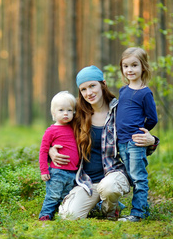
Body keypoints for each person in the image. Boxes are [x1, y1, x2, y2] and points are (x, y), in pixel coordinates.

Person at [49, 65, 158, 221]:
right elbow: (57, 133)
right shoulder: (78, 114)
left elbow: (135, 143)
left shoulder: (120, 110)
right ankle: (100, 204)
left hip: (114, 174)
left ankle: (109, 209)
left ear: (103, 84)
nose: (89, 93)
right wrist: (51, 151)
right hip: (87, 181)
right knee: (68, 216)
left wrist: (152, 140)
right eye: (84, 89)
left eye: (92, 86)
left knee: (108, 188)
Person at [116, 47, 158, 222]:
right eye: (126, 66)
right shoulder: (123, 90)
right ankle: (143, 208)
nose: (130, 70)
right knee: (131, 177)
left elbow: (153, 118)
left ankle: (138, 213)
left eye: (134, 65)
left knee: (139, 178)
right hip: (122, 142)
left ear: (143, 68)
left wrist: (142, 130)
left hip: (135, 142)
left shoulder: (145, 92)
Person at [38, 91, 80, 221]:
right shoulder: (51, 131)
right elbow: (43, 151)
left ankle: (61, 213)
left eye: (69, 110)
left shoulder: (74, 128)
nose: (66, 113)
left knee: (66, 196)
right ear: (53, 113)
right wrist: (44, 170)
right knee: (53, 195)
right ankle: (45, 215)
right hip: (57, 172)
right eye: (61, 110)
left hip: (73, 172)